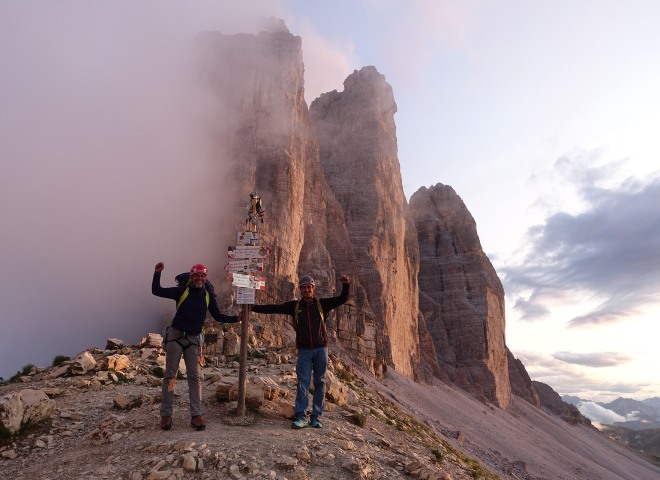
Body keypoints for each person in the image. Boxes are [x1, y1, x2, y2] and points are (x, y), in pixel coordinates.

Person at [252, 274, 350, 429]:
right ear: (300, 289)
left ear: (313, 288)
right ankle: (301, 417)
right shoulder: (294, 306)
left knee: (320, 382)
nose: (306, 290)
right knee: (302, 382)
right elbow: (273, 308)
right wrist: (251, 307)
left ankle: (316, 417)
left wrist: (346, 284)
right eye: (303, 287)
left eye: (309, 287)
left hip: (321, 349)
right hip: (304, 350)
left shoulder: (321, 304)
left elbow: (342, 299)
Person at [152, 261, 240, 431]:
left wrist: (236, 319)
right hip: (176, 337)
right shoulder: (182, 291)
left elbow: (218, 316)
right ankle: (166, 416)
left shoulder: (208, 296)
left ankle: (196, 415)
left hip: (192, 339)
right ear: (191, 278)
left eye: (202, 275)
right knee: (170, 375)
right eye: (196, 275)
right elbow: (157, 291)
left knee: (194, 377)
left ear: (206, 278)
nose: (199, 278)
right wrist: (157, 273)